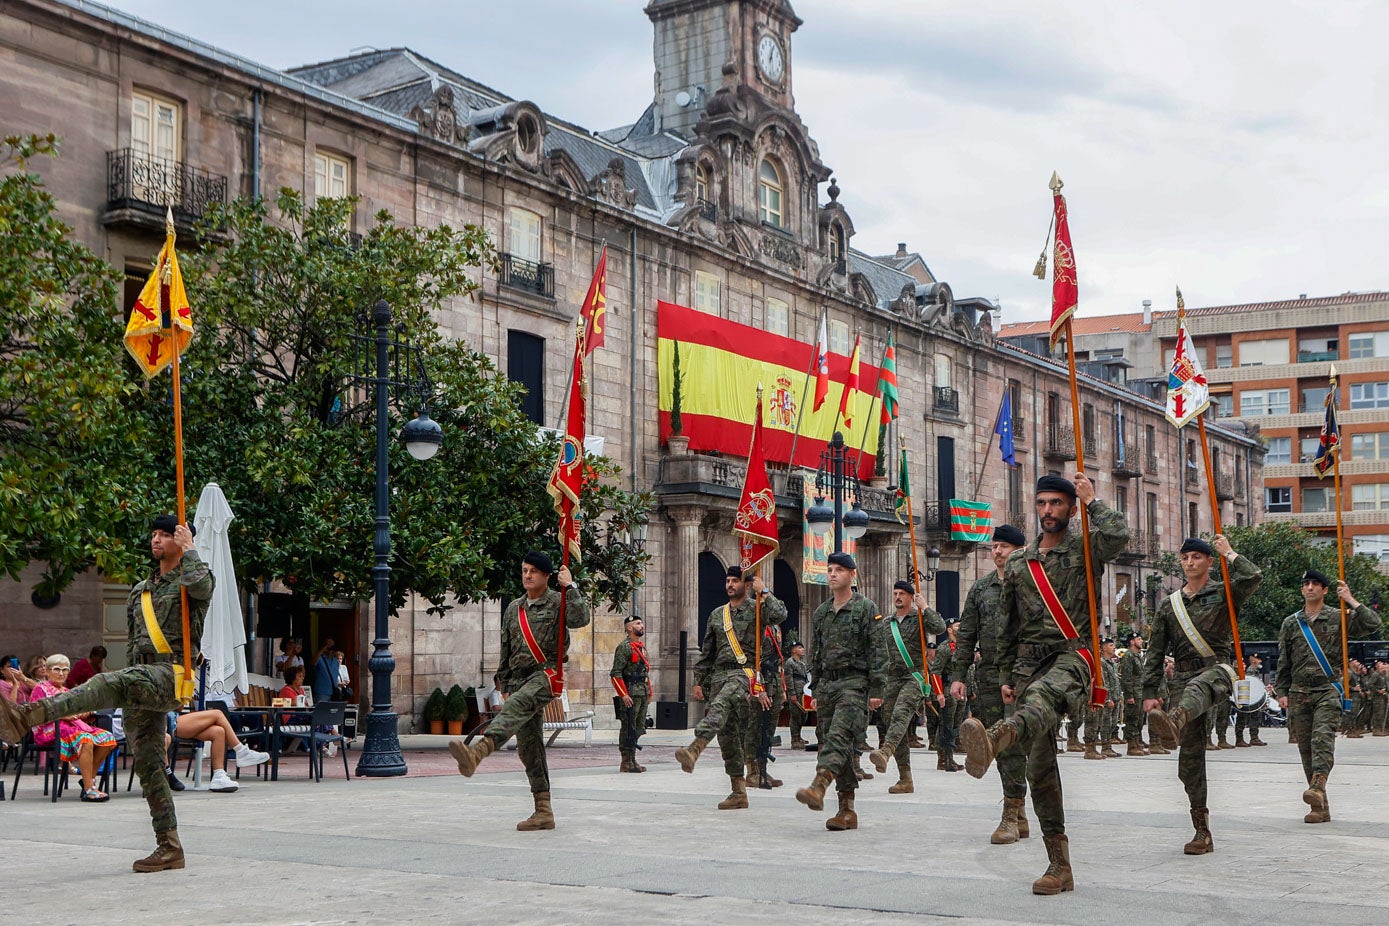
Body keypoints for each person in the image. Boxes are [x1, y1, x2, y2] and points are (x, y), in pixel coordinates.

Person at [0, 515, 213, 872]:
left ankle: (25, 717)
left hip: (171, 673)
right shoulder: (140, 590)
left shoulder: (190, 578)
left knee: (103, 683)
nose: (156, 540)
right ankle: (169, 847)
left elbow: (203, 588)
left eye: (165, 535)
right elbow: (132, 643)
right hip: (140, 676)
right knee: (148, 766)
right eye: (154, 534)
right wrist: (129, 683)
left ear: (180, 538)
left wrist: (190, 547)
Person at [959, 473, 1128, 895]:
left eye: (1058, 503)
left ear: (1070, 508)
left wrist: (1093, 501)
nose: (1049, 511)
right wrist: (1005, 679)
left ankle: (999, 735)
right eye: (1042, 503)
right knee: (1039, 768)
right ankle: (1059, 865)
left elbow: (1119, 534)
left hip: (1073, 655)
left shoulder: (1087, 548)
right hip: (1027, 664)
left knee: (1043, 696)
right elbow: (1007, 627)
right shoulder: (1020, 562)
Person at [447, 551, 590, 831]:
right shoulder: (514, 608)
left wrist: (570, 586)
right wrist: (504, 682)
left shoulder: (559, 602)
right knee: (529, 746)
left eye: (533, 571)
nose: (527, 575)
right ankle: (543, 811)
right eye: (524, 570)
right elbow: (507, 647)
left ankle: (480, 750)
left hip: (547, 674)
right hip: (519, 680)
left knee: (520, 705)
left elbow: (580, 619)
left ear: (547, 576)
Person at [1142, 535, 1262, 855]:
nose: (1191, 562)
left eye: (1197, 557)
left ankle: (1175, 720)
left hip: (1219, 669)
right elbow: (1154, 654)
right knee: (1189, 762)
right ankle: (1202, 831)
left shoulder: (1223, 593)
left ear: (1210, 562)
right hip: (1181, 675)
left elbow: (1254, 577)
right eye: (1186, 558)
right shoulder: (1170, 605)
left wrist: (1230, 553)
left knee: (1199, 688)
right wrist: (1150, 693)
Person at [673, 566, 786, 810]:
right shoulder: (717, 615)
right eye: (728, 580)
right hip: (718, 676)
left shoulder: (757, 609)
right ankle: (738, 791)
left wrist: (763, 591)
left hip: (743, 673)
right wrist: (698, 680)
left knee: (720, 705)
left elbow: (779, 615)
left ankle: (696, 747)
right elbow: (707, 651)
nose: (730, 585)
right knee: (728, 737)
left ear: (745, 585)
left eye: (735, 581)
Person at [1276, 570, 1381, 824]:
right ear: (1302, 590)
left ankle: (1317, 786)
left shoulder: (1339, 617)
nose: (1310, 587)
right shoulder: (1292, 622)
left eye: (1315, 584)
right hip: (1299, 692)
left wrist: (1351, 599)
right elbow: (1284, 660)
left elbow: (1373, 623)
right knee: (1305, 749)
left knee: (1321, 739)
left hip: (1327, 689)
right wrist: (1281, 691)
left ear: (1324, 590)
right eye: (1306, 584)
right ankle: (1320, 805)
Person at [952, 523, 1032, 840]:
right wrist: (958, 675)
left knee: (1012, 742)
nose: (997, 551)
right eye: (994, 546)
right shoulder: (981, 589)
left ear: (1019, 551)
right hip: (987, 675)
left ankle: (1012, 814)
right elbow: (967, 633)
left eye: (1003, 546)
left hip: (1023, 676)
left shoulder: (1032, 586)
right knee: (1001, 745)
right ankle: (1018, 812)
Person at [794, 552, 884, 832]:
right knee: (831, 740)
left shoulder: (865, 608)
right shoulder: (821, 612)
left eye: (839, 570)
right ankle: (846, 809)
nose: (833, 574)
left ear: (852, 575)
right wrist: (816, 686)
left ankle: (819, 785)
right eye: (830, 569)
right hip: (828, 686)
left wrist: (877, 688)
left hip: (855, 684)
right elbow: (817, 652)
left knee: (838, 735)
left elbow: (878, 650)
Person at [868, 579, 946, 793]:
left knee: (902, 713)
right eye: (895, 593)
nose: (897, 597)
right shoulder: (887, 623)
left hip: (915, 676)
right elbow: (878, 654)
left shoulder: (920, 618)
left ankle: (885, 751)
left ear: (912, 597)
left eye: (902, 593)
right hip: (892, 678)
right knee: (892, 721)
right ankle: (905, 778)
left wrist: (926, 607)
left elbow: (939, 627)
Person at [29, 654, 119, 802]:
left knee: (108, 738)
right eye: (57, 669)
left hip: (73, 726)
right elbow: (39, 712)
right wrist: (65, 715)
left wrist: (85, 712)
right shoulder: (41, 689)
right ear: (48, 671)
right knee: (86, 740)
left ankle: (87, 780)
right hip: (51, 728)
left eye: (65, 670)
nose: (61, 673)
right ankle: (90, 789)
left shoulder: (67, 691)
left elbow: (80, 711)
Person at [171, 708, 270, 792]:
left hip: (174, 720)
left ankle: (219, 776)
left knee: (218, 732)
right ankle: (241, 751)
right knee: (217, 714)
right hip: (168, 721)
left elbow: (179, 707)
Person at [743, 621, 786, 789]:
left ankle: (762, 769)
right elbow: (749, 660)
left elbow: (779, 661)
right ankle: (752, 772)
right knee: (754, 727)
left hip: (773, 682)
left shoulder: (775, 628)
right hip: (759, 684)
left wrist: (782, 689)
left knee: (769, 728)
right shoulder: (755, 626)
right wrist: (756, 689)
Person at [611, 614, 651, 773]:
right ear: (629, 628)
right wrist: (623, 694)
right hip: (630, 693)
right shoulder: (625, 647)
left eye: (641, 623)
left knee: (638, 726)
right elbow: (616, 673)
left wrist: (649, 691)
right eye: (638, 623)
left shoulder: (640, 646)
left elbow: (645, 673)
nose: (641, 626)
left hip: (642, 692)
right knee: (628, 727)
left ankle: (633, 759)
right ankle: (626, 761)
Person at [929, 621, 964, 772]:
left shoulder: (963, 646)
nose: (960, 628)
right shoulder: (944, 647)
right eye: (957, 625)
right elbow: (935, 672)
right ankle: (945, 759)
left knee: (956, 725)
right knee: (946, 725)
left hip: (962, 689)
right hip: (949, 689)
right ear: (950, 630)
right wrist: (939, 693)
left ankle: (948, 757)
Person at [1120, 633, 1149, 755]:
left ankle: (1137, 743)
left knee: (1139, 719)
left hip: (1139, 692)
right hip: (1133, 693)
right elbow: (1126, 677)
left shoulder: (1137, 656)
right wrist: (1129, 696)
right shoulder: (1129, 656)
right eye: (1139, 639)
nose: (1141, 641)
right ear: (1132, 642)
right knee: (1132, 719)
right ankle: (1131, 746)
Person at [1234, 654, 1268, 747]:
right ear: (1253, 660)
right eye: (1259, 659)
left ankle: (1254, 738)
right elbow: (1250, 684)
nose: (1261, 661)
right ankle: (1240, 739)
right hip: (1247, 698)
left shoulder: (1255, 671)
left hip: (1253, 699)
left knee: (1255, 717)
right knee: (1242, 717)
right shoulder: (1250, 671)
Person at [784, 642, 810, 748]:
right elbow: (789, 679)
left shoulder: (802, 664)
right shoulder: (790, 662)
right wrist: (792, 693)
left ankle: (799, 736)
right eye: (799, 648)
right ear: (793, 650)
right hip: (795, 691)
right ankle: (794, 739)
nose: (802, 649)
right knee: (795, 716)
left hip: (802, 692)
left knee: (803, 715)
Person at [310, 639, 338, 705]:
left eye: (332, 646)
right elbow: (312, 663)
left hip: (333, 693)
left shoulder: (335, 661)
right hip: (321, 693)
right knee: (321, 714)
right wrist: (322, 650)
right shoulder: (320, 658)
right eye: (328, 645)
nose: (330, 647)